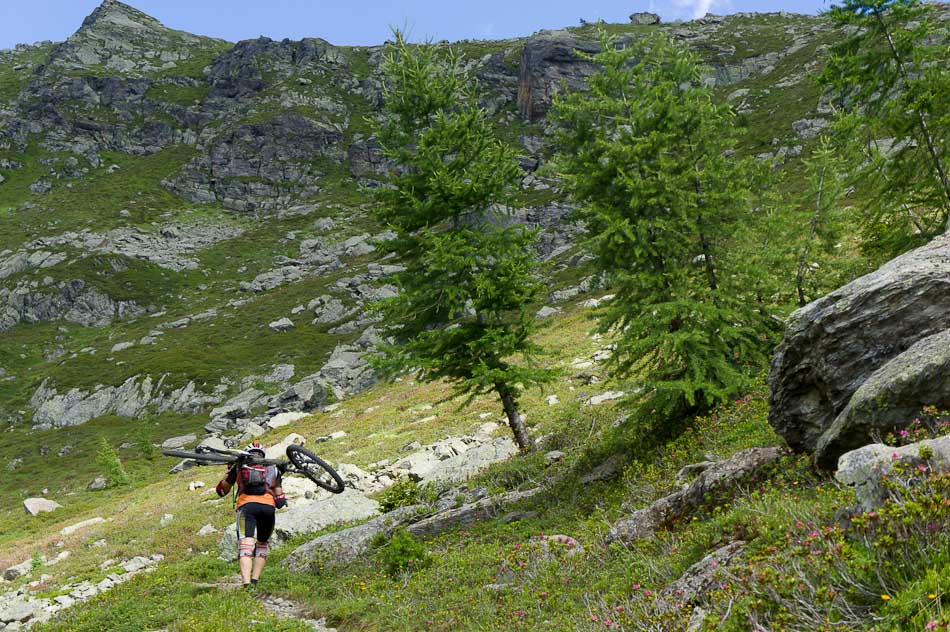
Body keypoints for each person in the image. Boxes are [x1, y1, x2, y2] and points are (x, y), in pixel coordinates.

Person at [215, 440, 287, 588]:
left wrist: (229, 470)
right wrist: (280, 498)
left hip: (246, 507)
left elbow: (222, 491)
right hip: (268, 508)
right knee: (262, 544)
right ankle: (255, 581)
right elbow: (279, 500)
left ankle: (246, 585)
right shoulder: (273, 468)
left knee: (245, 547)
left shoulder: (240, 466)